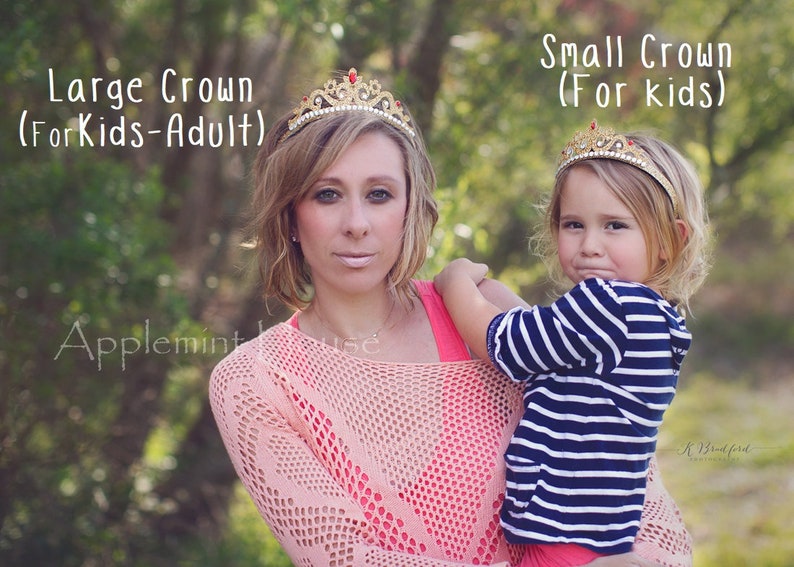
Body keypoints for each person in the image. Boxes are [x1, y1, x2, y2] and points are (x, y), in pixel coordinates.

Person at [209, 69, 694, 566]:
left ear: (409, 207)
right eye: (326, 195)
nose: (356, 224)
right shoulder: (256, 382)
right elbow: (344, 558)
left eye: (379, 194)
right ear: (290, 215)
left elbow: (630, 483)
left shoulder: (483, 315)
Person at [433, 120, 710, 567]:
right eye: (574, 224)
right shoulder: (660, 319)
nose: (589, 246)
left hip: (562, 541)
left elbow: (503, 343)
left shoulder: (608, 303)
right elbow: (546, 346)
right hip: (602, 538)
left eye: (615, 225)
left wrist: (455, 283)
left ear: (669, 242)